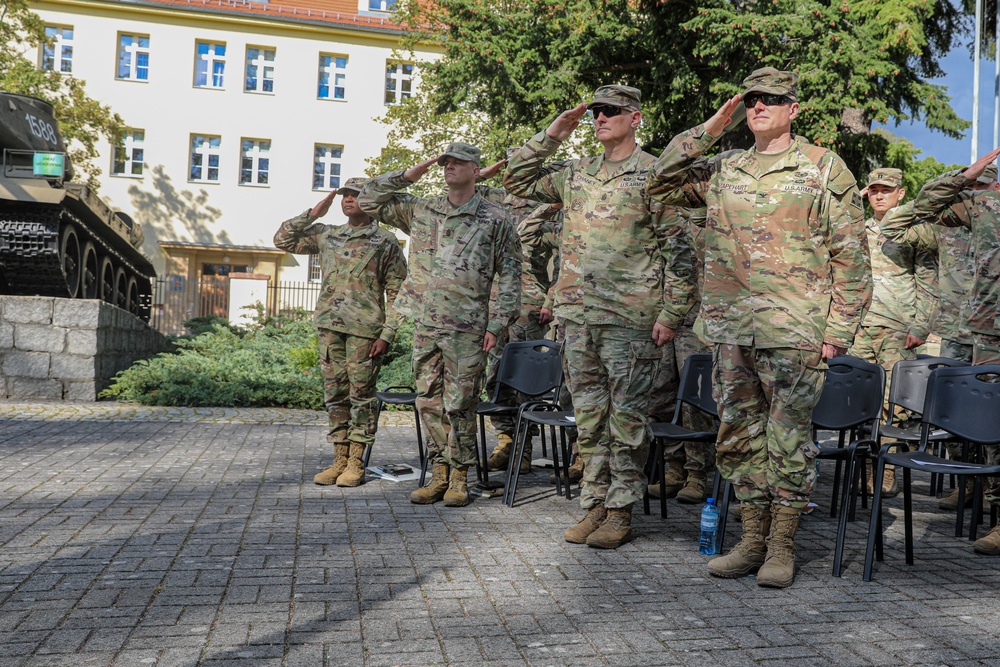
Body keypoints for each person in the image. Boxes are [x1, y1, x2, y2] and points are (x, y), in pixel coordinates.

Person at [645, 68, 871, 587]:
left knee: (788, 440)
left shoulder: (823, 168)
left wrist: (839, 330)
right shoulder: (725, 167)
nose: (759, 106)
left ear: (794, 109)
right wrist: (710, 129)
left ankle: (782, 545)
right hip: (730, 327)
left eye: (772, 99)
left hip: (795, 330)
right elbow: (658, 182)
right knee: (738, 436)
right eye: (751, 99)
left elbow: (852, 257)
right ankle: (751, 538)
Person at [504, 84, 692, 549]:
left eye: (611, 111)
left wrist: (672, 313)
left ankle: (621, 511)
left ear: (636, 118)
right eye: (596, 112)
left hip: (631, 319)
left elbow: (680, 251)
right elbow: (516, 180)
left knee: (626, 420)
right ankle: (595, 504)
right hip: (577, 316)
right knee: (587, 419)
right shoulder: (576, 173)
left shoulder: (655, 174)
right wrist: (553, 133)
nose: (600, 118)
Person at [359, 142, 522, 507]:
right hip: (426, 323)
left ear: (476, 170)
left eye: (458, 162)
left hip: (469, 328)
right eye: (445, 162)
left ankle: (461, 476)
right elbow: (368, 199)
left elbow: (511, 278)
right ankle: (440, 472)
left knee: (461, 404)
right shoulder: (422, 208)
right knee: (428, 402)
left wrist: (496, 325)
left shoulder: (494, 219)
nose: (449, 167)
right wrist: (408, 175)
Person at [879, 149, 1000, 553]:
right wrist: (963, 176)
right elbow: (900, 221)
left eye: (983, 188)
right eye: (973, 190)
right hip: (975, 328)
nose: (977, 195)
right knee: (971, 415)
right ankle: (974, 488)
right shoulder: (968, 214)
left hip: (985, 331)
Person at [273, 177, 407, 488]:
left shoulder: (384, 241)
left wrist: (388, 333)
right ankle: (340, 459)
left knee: (360, 396)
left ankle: (357, 461)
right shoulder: (327, 235)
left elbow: (398, 291)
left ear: (370, 201)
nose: (347, 199)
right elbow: (282, 240)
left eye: (355, 195)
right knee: (335, 395)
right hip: (329, 326)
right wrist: (313, 213)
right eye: (344, 194)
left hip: (365, 331)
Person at [850, 168, 938, 498]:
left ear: (901, 193)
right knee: (860, 400)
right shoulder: (859, 228)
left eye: (886, 189)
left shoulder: (913, 231)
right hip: (861, 327)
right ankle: (864, 467)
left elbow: (929, 280)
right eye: (873, 190)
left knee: (893, 405)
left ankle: (885, 469)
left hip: (898, 327)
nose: (879, 195)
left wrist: (921, 326)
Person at [646, 207, 716, 505]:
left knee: (694, 402)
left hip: (697, 324)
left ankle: (697, 474)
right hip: (662, 320)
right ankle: (673, 467)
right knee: (660, 394)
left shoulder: (714, 217)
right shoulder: (668, 219)